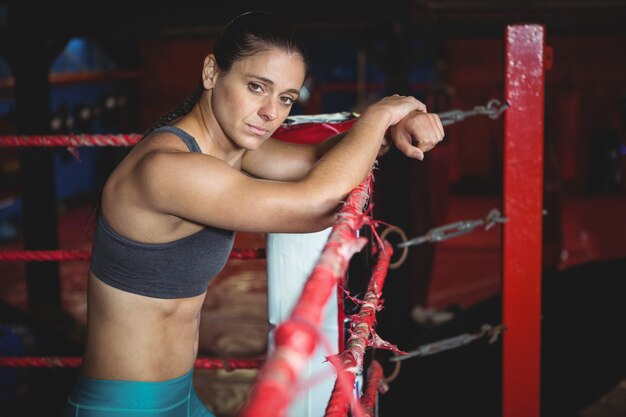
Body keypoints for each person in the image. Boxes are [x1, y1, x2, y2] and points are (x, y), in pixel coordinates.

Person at [61, 10, 444, 417]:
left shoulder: (227, 152)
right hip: (123, 407)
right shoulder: (168, 169)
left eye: (285, 98)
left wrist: (385, 133)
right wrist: (380, 113)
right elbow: (316, 204)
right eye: (256, 86)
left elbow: (314, 159)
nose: (270, 112)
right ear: (211, 72)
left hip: (181, 397)